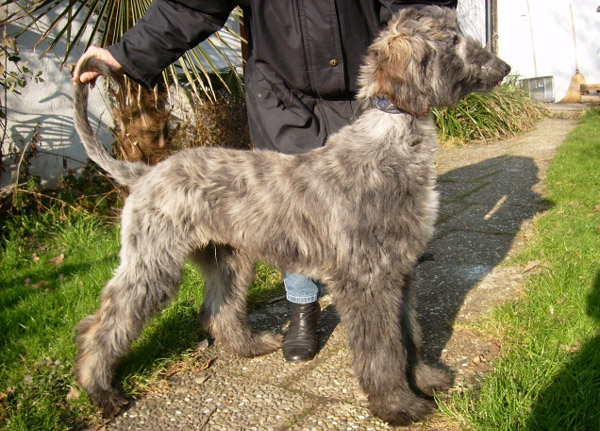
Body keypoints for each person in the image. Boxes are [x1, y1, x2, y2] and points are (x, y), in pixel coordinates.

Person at [73, 0, 457, 363]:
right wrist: (126, 54)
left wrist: (429, 40)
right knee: (154, 281)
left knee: (370, 238)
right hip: (281, 95)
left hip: (359, 91)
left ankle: (242, 334)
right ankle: (96, 360)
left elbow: (415, 7)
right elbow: (190, 6)